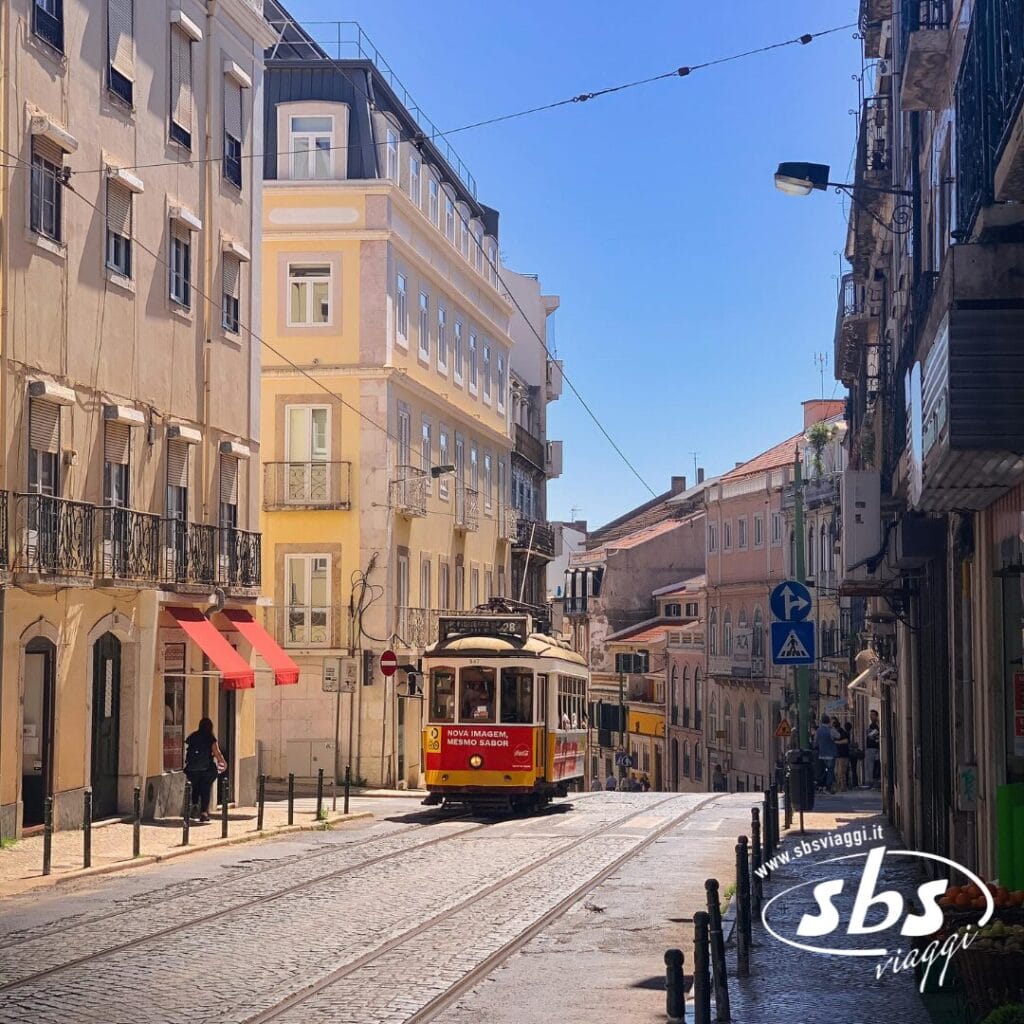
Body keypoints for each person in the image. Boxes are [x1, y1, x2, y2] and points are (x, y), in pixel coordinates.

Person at [183, 717, 227, 822]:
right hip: (206, 769)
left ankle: (194, 805)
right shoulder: (210, 738)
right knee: (205, 789)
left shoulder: (193, 736)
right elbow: (217, 752)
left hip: (192, 768)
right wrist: (223, 763)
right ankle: (204, 813)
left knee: (195, 787)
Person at [814, 714, 839, 793]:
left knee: (823, 771)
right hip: (830, 754)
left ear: (821, 722)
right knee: (830, 770)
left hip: (822, 754)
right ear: (829, 722)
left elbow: (815, 742)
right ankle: (829, 786)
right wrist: (832, 728)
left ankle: (822, 786)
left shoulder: (818, 730)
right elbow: (838, 736)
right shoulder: (830, 730)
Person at [864, 709, 881, 789]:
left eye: (873, 715)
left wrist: (873, 737)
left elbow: (871, 736)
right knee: (871, 766)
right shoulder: (872, 725)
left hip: (874, 748)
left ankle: (873, 782)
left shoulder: (877, 725)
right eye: (870, 715)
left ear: (876, 716)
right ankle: (872, 782)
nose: (871, 716)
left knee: (873, 766)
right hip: (871, 748)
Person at [833, 716, 849, 793]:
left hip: (842, 756)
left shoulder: (842, 732)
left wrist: (836, 742)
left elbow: (846, 741)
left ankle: (842, 787)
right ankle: (839, 787)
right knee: (837, 772)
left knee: (841, 773)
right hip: (837, 755)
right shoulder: (837, 733)